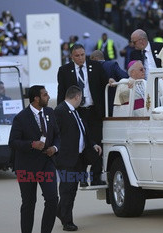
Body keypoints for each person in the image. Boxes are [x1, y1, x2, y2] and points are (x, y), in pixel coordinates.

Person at [8, 85, 60, 233]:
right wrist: (31, 144)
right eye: (45, 95)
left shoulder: (50, 112)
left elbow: (57, 135)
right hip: (26, 166)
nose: (48, 97)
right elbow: (13, 142)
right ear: (36, 98)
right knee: (29, 203)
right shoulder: (21, 117)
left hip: (46, 164)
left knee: (52, 200)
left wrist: (55, 148)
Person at [57, 44, 108, 186]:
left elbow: (105, 84)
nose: (80, 58)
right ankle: (82, 177)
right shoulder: (64, 71)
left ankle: (96, 177)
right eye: (77, 56)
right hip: (76, 113)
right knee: (80, 144)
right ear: (71, 56)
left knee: (97, 143)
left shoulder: (96, 67)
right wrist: (60, 114)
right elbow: (61, 93)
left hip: (94, 111)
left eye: (82, 55)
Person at [55, 86, 102, 231]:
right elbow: (54, 134)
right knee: (67, 190)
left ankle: (60, 212)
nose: (81, 100)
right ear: (77, 97)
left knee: (72, 190)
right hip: (66, 158)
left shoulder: (75, 112)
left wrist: (92, 144)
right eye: (81, 97)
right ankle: (67, 222)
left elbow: (83, 131)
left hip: (78, 158)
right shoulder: (60, 111)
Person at [90, 49, 128, 116]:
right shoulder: (112, 65)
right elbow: (124, 76)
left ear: (94, 58)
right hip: (112, 102)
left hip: (96, 106)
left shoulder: (91, 68)